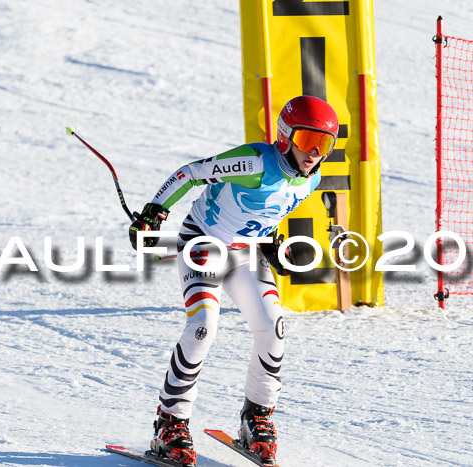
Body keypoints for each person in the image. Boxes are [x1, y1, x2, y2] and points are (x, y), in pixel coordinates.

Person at [128, 95, 339, 467]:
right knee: (202, 328)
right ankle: (170, 422)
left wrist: (271, 243)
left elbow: (268, 209)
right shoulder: (256, 162)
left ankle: (256, 418)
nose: (315, 154)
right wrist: (154, 212)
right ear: (286, 137)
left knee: (274, 328)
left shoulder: (312, 177)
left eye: (324, 145)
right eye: (308, 142)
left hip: (244, 252)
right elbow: (191, 172)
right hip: (203, 242)